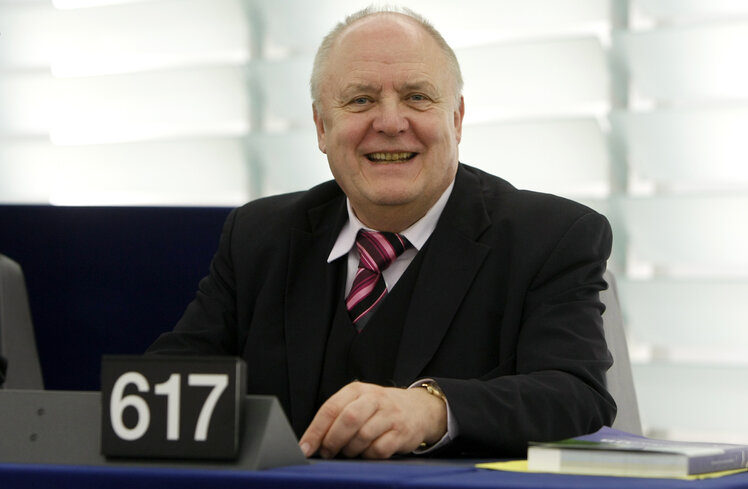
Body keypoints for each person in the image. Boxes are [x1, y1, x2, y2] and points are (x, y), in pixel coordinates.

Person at [148, 6, 616, 459]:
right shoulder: (258, 236)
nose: (391, 124)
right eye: (360, 100)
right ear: (321, 127)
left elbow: (576, 398)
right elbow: (162, 388)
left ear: (455, 119)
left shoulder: (553, 237)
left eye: (417, 96)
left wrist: (433, 409)